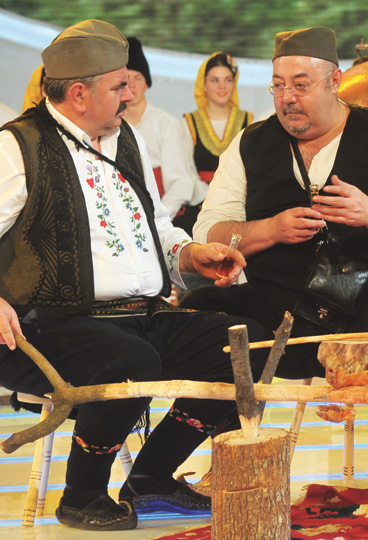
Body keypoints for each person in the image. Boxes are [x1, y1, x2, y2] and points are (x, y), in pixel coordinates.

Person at [0, 20, 268, 530]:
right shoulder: (18, 147)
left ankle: (150, 477)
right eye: (119, 85)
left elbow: (157, 225)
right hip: (48, 325)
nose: (130, 95)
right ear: (79, 93)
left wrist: (190, 253)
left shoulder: (128, 139)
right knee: (131, 361)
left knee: (244, 346)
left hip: (141, 316)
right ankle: (81, 494)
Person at [181, 27, 368, 493]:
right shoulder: (250, 143)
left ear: (335, 81)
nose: (287, 98)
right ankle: (230, 451)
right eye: (278, 86)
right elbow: (208, 230)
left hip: (364, 314)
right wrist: (270, 229)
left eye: (301, 85)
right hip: (279, 314)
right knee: (200, 312)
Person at [121, 37, 202, 219]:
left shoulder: (166, 124)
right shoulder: (109, 125)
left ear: (147, 84)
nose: (131, 85)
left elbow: (180, 183)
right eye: (126, 79)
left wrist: (157, 219)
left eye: (138, 78)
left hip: (161, 214)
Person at [174, 52, 253, 235]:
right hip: (200, 206)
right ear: (204, 85)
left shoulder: (249, 121)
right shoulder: (188, 123)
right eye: (215, 80)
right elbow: (186, 173)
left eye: (227, 80)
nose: (222, 86)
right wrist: (215, 198)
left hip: (240, 205)